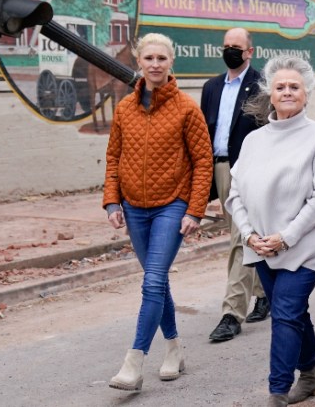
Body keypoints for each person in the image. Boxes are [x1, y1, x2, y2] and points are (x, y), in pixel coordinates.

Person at [226, 56, 315, 407]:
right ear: (270, 94)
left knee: (285, 311)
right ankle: (310, 377)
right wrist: (250, 236)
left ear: (307, 92)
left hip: (306, 243)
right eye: (280, 87)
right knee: (293, 312)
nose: (288, 92)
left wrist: (287, 237)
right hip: (263, 244)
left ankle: (277, 391)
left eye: (295, 86)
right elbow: (235, 194)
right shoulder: (254, 140)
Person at [103, 33, 213, 391]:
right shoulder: (124, 109)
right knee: (158, 279)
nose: (155, 64)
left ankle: (134, 362)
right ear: (139, 62)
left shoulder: (186, 108)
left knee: (151, 280)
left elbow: (203, 162)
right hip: (133, 207)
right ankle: (174, 348)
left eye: (161, 59)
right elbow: (114, 157)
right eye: (148, 58)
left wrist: (194, 210)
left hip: (172, 205)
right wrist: (111, 200)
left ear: (171, 63)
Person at [201, 28, 269, 343]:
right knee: (240, 236)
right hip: (220, 168)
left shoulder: (261, 86)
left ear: (249, 52)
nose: (231, 51)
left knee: (240, 240)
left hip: (249, 169)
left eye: (237, 47)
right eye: (226, 46)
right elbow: (205, 131)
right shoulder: (211, 87)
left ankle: (232, 313)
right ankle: (263, 290)